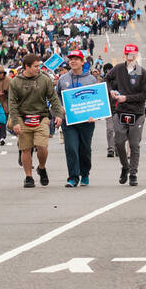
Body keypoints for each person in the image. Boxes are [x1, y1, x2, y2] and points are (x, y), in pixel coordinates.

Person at [6, 53, 63, 188]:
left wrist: (59, 115)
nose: (39, 68)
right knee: (26, 149)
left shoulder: (45, 79)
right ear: (27, 67)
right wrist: (15, 122)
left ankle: (41, 168)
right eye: (36, 66)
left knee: (42, 146)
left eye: (39, 66)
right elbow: (12, 104)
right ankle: (28, 177)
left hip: (41, 117)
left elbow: (53, 98)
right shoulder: (15, 82)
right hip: (22, 117)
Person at [105, 43, 146, 187]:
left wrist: (127, 98)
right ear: (124, 55)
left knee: (134, 144)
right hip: (120, 111)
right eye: (127, 55)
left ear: (136, 55)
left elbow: (145, 94)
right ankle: (125, 166)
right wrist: (111, 90)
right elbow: (107, 79)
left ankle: (133, 173)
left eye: (132, 55)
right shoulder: (118, 68)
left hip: (136, 112)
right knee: (118, 142)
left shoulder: (141, 72)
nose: (130, 58)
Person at [56, 51, 96, 187]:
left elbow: (97, 100)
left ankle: (85, 173)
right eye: (71, 59)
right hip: (69, 121)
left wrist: (94, 115)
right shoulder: (63, 79)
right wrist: (59, 109)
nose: (73, 61)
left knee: (85, 149)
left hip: (86, 121)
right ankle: (73, 177)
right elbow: (56, 98)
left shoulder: (91, 79)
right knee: (71, 148)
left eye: (76, 59)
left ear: (82, 61)